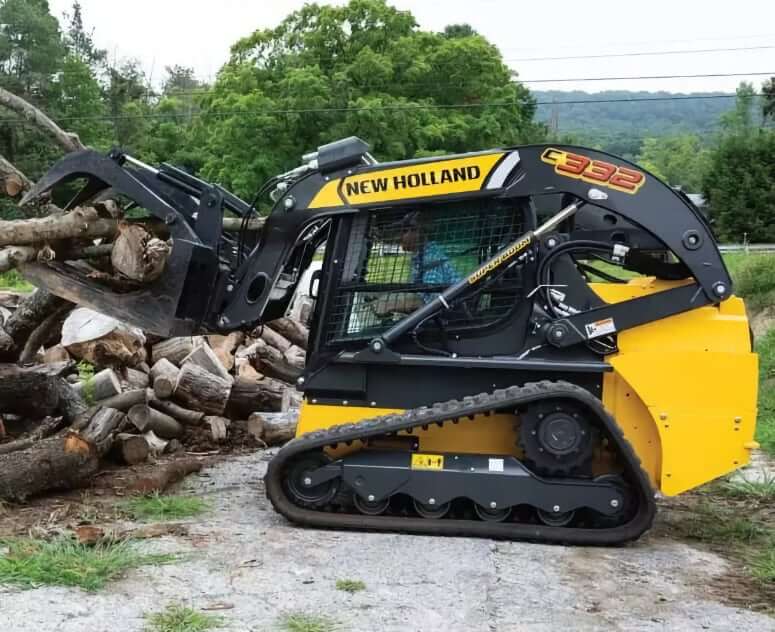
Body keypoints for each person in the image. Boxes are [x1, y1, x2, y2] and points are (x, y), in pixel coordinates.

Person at [371, 211, 460, 316]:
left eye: (404, 232)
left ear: (417, 232)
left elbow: (432, 301)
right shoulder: (420, 257)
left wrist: (391, 304)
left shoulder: (431, 258)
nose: (400, 237)